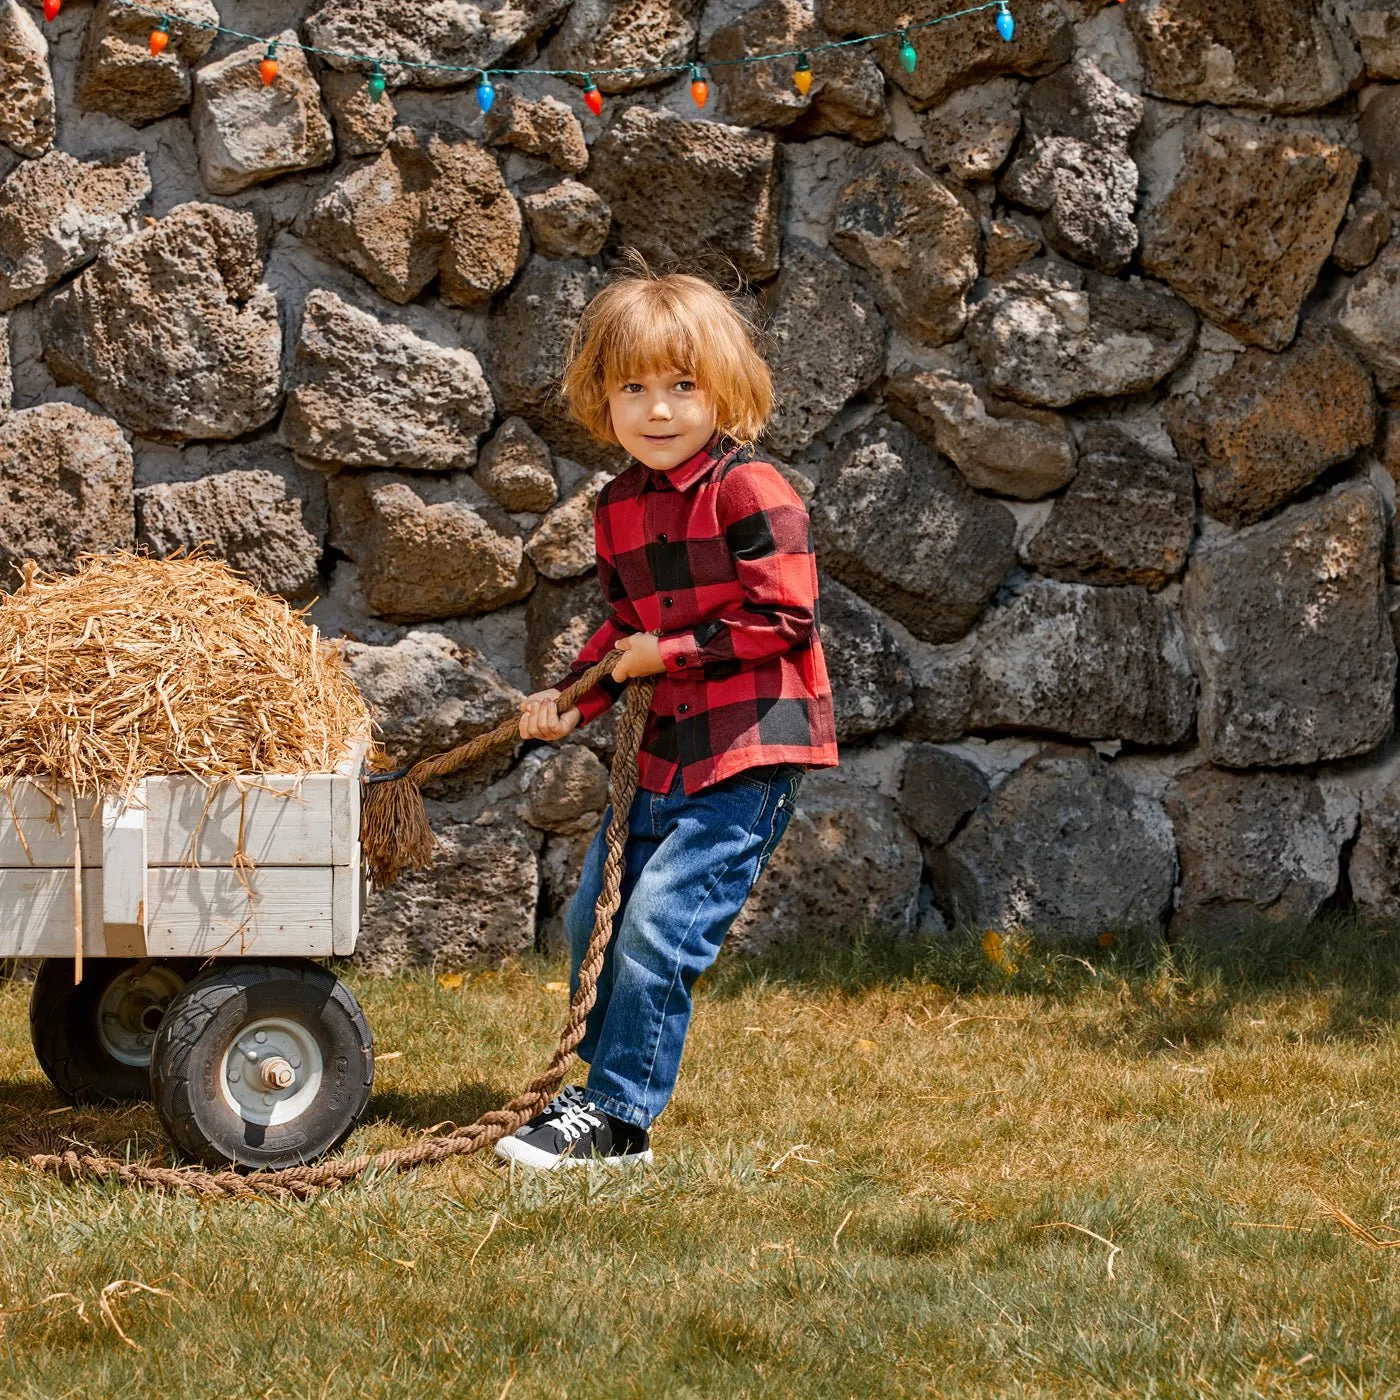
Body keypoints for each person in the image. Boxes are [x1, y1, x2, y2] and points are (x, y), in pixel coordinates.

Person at [494, 259, 839, 1171]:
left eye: (683, 387)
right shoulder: (616, 507)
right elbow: (621, 629)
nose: (658, 410)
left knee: (659, 926)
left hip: (743, 754)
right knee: (591, 925)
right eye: (633, 388)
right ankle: (593, 1094)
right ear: (602, 400)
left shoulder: (751, 490)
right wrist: (570, 700)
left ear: (723, 390)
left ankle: (618, 1118)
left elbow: (783, 617)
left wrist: (668, 655)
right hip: (656, 756)